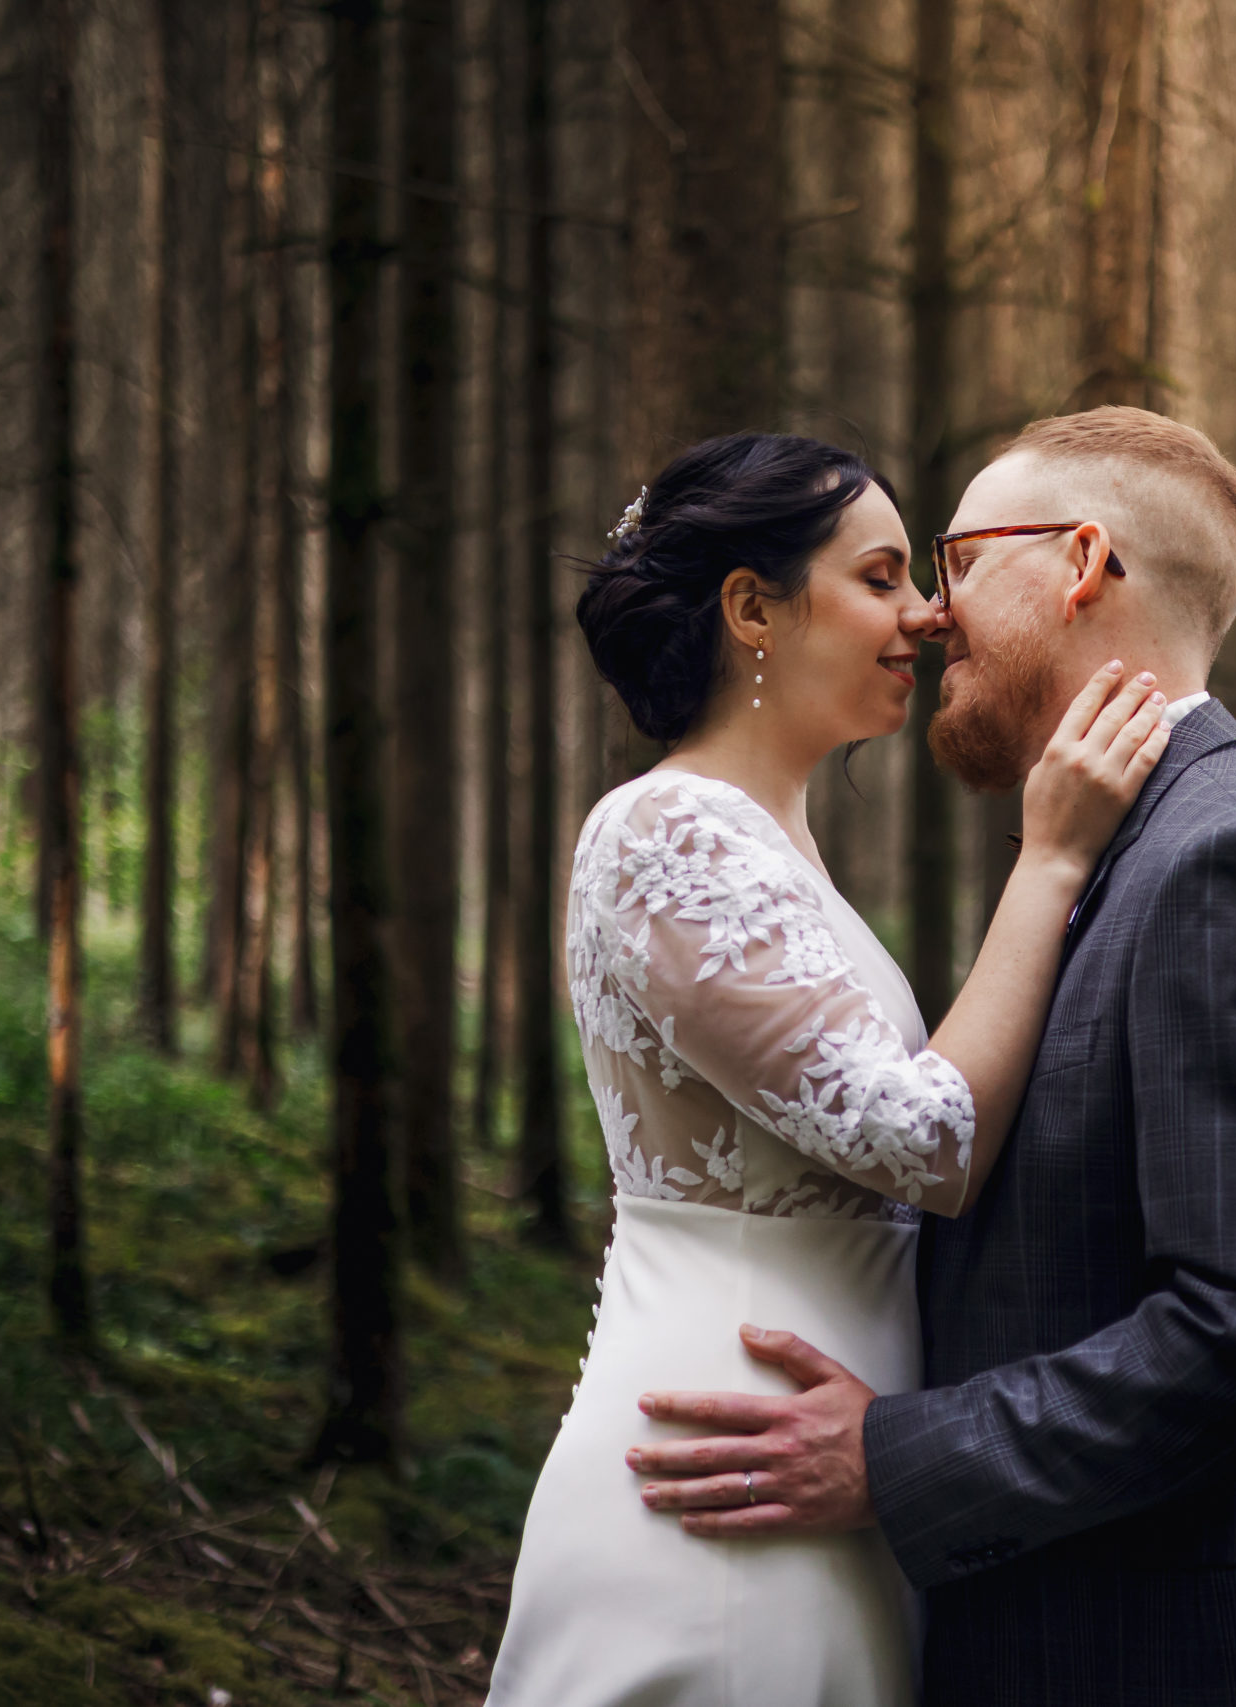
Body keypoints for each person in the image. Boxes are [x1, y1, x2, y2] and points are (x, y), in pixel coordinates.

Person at [621, 406, 1236, 1705]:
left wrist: (894, 1459)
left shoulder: (1226, 857)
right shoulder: (1127, 845)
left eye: (952, 560)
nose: (933, 613)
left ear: (1078, 562)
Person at [482, 431, 1171, 1707]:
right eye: (879, 577)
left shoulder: (764, 848)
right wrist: (1053, 858)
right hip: (729, 1472)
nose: (925, 615)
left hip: (816, 1459)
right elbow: (924, 1143)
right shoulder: (669, 828)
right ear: (752, 607)